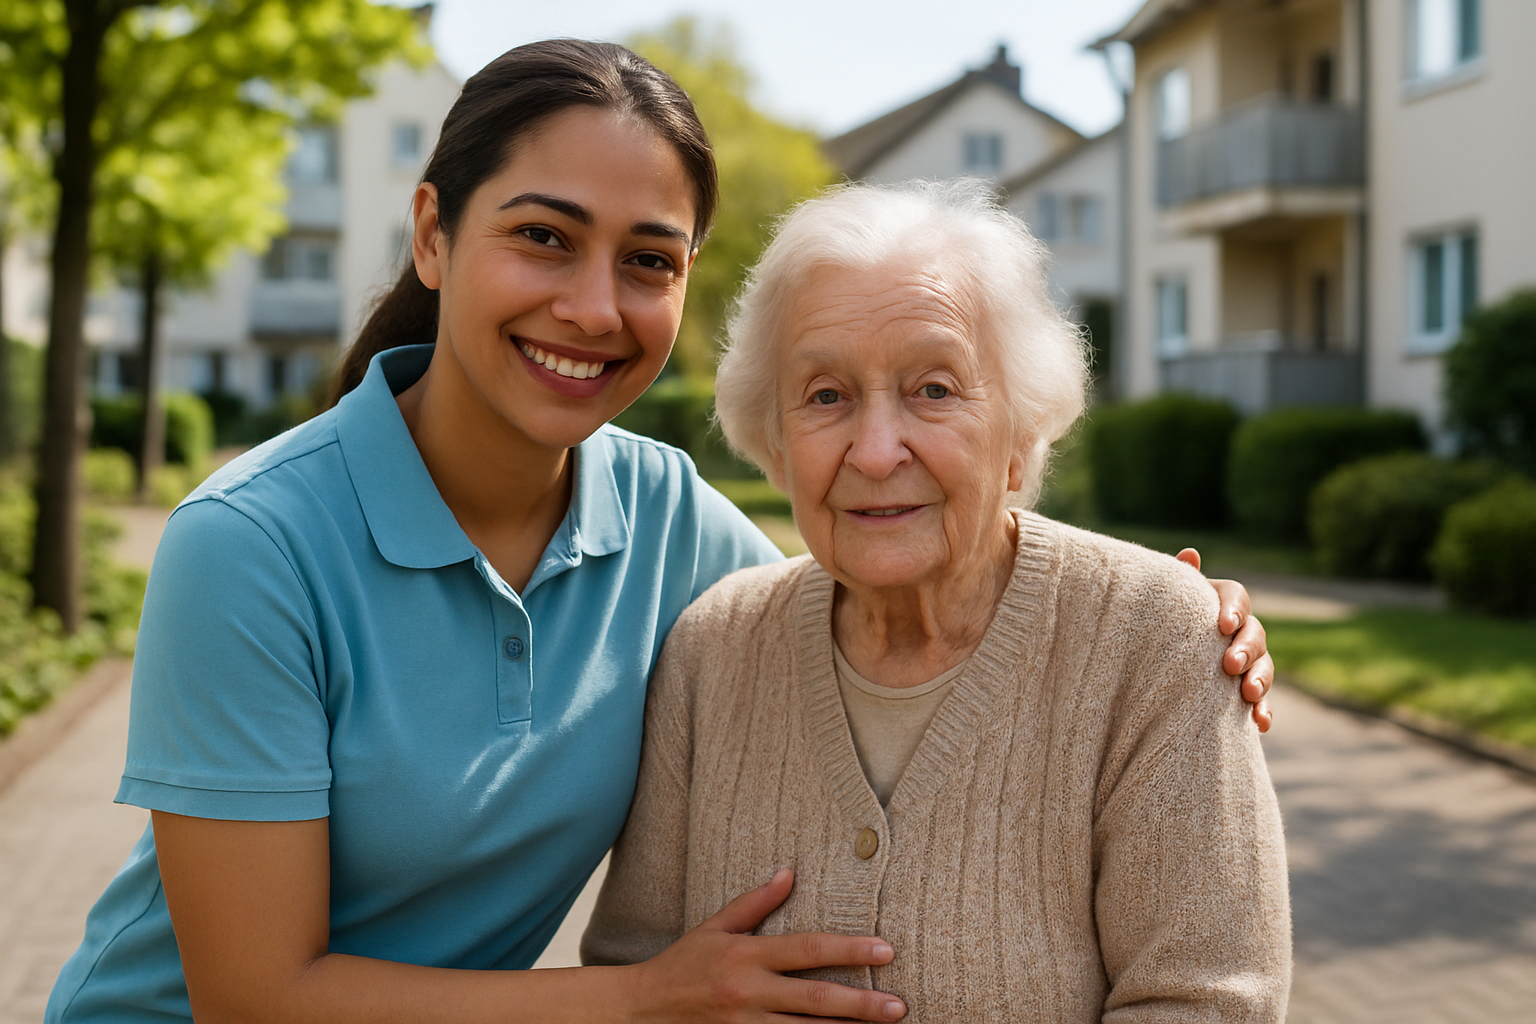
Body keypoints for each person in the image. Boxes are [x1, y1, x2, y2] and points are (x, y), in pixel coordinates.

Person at [47, 41, 1273, 1024]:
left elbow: (879, 559)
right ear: (432, 233)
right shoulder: (248, 545)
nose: (593, 305)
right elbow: (256, 999)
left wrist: (1152, 619)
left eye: (647, 259)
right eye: (543, 236)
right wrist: (639, 999)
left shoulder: (669, 520)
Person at [582, 180, 1292, 1022]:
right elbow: (634, 975)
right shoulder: (708, 649)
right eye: (826, 396)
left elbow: (1207, 1002)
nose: (877, 451)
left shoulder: (1155, 644)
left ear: (1021, 433)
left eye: (935, 390)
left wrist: (1172, 615)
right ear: (773, 440)